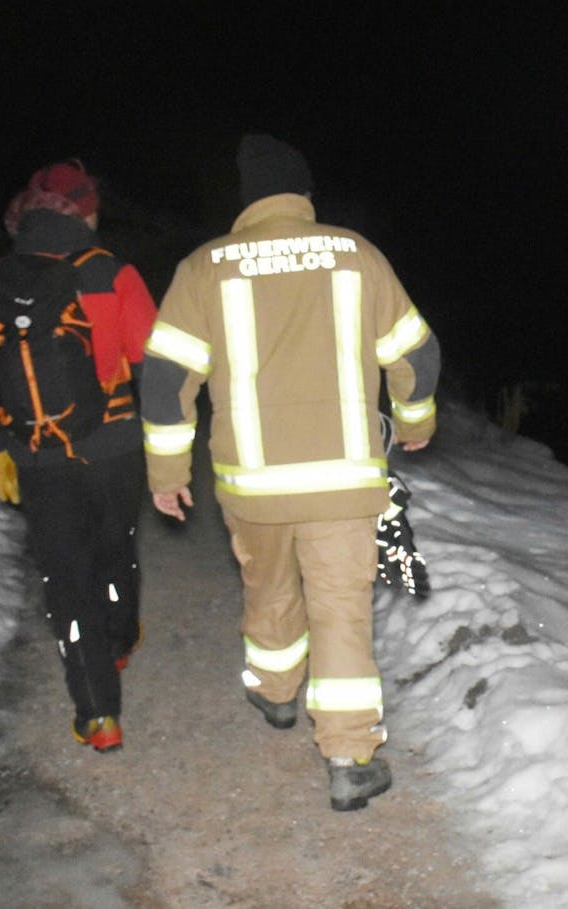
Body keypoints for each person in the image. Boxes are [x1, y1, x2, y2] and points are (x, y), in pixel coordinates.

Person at [140, 134, 441, 810]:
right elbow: (417, 355)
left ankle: (276, 694)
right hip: (342, 480)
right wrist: (416, 422)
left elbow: (164, 380)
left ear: (246, 201)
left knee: (269, 586)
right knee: (340, 611)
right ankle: (349, 755)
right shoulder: (354, 255)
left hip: (253, 483)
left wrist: (166, 469)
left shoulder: (204, 268)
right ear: (304, 195)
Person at [0, 159, 158, 752]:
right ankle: (119, 639)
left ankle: (96, 713)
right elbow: (154, 363)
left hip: (39, 453)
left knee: (66, 577)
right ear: (89, 210)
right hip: (116, 447)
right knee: (114, 547)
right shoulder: (113, 275)